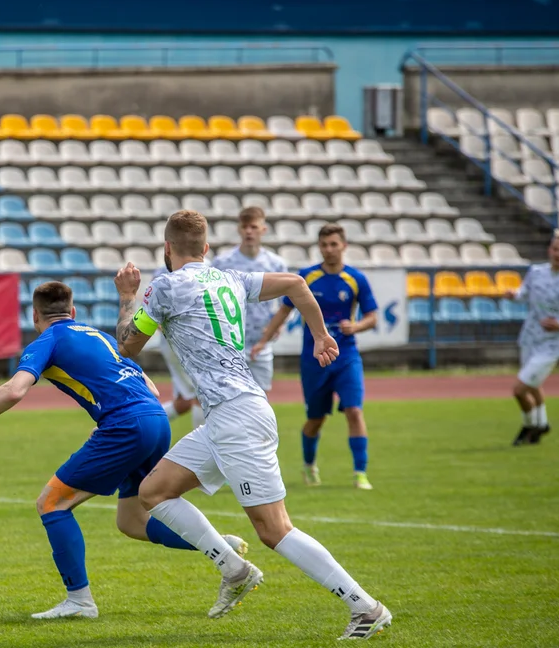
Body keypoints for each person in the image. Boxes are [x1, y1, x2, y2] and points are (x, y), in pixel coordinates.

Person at [114, 210, 391, 640]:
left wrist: (128, 295)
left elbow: (126, 348)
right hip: (233, 411)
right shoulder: (229, 278)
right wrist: (320, 334)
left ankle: (365, 606)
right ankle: (234, 568)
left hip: (235, 417)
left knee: (274, 529)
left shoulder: (164, 287)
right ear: (206, 249)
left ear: (167, 249)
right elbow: (298, 284)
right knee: (153, 491)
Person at [0, 281, 248, 620]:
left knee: (51, 503)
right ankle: (219, 546)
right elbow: (152, 387)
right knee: (132, 520)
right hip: (156, 419)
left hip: (125, 427)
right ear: (73, 312)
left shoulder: (48, 340)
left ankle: (80, 601)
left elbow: (14, 390)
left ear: (35, 315)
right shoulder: (98, 336)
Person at [255, 224, 379, 490]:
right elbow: (284, 311)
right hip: (314, 360)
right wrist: (263, 341)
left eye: (334, 244)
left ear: (344, 246)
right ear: (319, 247)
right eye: (324, 245)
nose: (329, 249)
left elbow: (372, 317)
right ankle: (309, 465)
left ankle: (360, 473)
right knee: (315, 419)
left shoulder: (356, 279)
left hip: (346, 355)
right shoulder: (307, 277)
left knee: (355, 411)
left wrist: (355, 327)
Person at [506, 231, 559, 446]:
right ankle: (541, 424)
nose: (558, 254)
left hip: (551, 344)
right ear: (549, 250)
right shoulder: (536, 272)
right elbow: (524, 294)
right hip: (529, 337)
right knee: (533, 385)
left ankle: (529, 426)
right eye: (556, 249)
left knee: (519, 389)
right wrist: (514, 295)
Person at [210, 206, 288, 394]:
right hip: (230, 341)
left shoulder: (275, 263)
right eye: (245, 227)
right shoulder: (222, 262)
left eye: (253, 227)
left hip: (260, 341)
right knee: (227, 397)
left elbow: (287, 301)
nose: (249, 231)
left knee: (261, 398)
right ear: (239, 229)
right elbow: (211, 298)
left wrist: (278, 326)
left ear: (263, 229)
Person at [154, 266, 205, 429]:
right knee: (202, 393)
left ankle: (132, 426)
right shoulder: (164, 273)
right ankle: (203, 447)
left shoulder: (162, 273)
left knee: (184, 402)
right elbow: (150, 311)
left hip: (188, 343)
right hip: (183, 344)